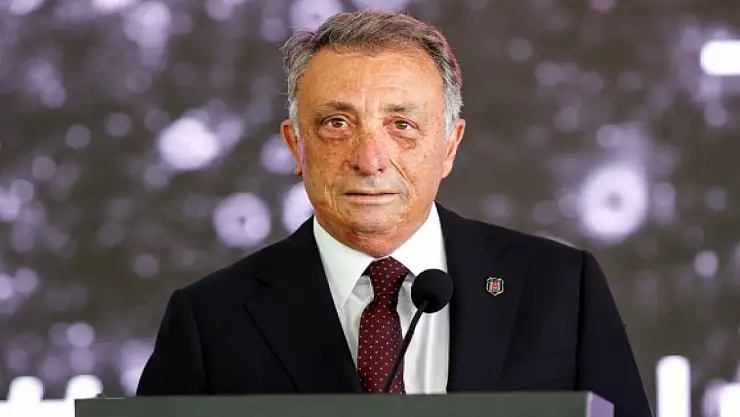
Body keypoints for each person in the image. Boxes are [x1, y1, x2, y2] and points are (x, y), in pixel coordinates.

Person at [136, 9, 653, 417]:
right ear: (296, 146)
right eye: (337, 124)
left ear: (449, 146)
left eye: (402, 125)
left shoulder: (560, 290)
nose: (369, 160)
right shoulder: (209, 319)